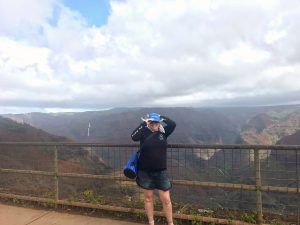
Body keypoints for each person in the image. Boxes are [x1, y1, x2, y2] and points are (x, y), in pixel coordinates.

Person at [131, 113, 176, 225]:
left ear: (159, 123)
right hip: (145, 170)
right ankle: (151, 222)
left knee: (166, 199)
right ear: (149, 122)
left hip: (161, 171)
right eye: (152, 122)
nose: (154, 124)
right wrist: (143, 123)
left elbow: (172, 124)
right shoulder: (144, 132)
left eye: (156, 122)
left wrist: (160, 116)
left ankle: (170, 223)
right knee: (148, 198)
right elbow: (133, 137)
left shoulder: (163, 133)